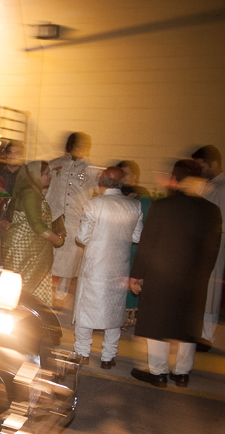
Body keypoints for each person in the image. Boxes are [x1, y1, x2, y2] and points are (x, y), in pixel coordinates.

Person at [129, 159, 221, 388]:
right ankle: (181, 372)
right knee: (187, 324)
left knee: (157, 321)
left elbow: (147, 244)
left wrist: (137, 274)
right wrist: (203, 274)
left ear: (174, 179)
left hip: (162, 277)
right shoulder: (212, 211)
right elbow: (213, 250)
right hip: (194, 278)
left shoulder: (163, 207)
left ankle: (158, 372)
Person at [72, 167, 144, 368]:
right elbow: (136, 237)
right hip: (120, 267)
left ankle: (82, 352)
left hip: (95, 266)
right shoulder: (134, 205)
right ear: (122, 183)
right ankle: (108, 357)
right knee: (114, 311)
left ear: (102, 181)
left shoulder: (94, 204)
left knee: (86, 308)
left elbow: (82, 237)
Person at [46, 132, 99, 306]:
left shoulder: (91, 170)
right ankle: (46, 292)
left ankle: (60, 296)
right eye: (78, 145)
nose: (82, 148)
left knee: (70, 260)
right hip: (53, 217)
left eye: (85, 146)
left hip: (75, 220)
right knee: (49, 257)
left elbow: (97, 195)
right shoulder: (54, 165)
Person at [1, 161, 64, 305]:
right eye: (46, 173)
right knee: (22, 284)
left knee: (25, 283)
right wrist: (58, 239)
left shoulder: (34, 192)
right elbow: (37, 226)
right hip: (23, 248)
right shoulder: (31, 195)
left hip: (28, 246)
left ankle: (29, 316)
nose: (50, 176)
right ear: (36, 176)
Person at [191, 145, 225, 352]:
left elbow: (224, 225)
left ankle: (206, 336)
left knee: (211, 291)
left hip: (214, 247)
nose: (200, 170)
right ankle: (198, 332)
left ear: (213, 164)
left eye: (202, 165)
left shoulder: (224, 189)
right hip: (201, 246)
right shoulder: (208, 185)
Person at [116, 159, 152, 330]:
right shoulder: (116, 196)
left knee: (132, 278)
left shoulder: (143, 198)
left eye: (127, 173)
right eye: (121, 173)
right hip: (118, 247)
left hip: (135, 247)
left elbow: (147, 227)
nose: (124, 177)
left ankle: (130, 317)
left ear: (136, 176)